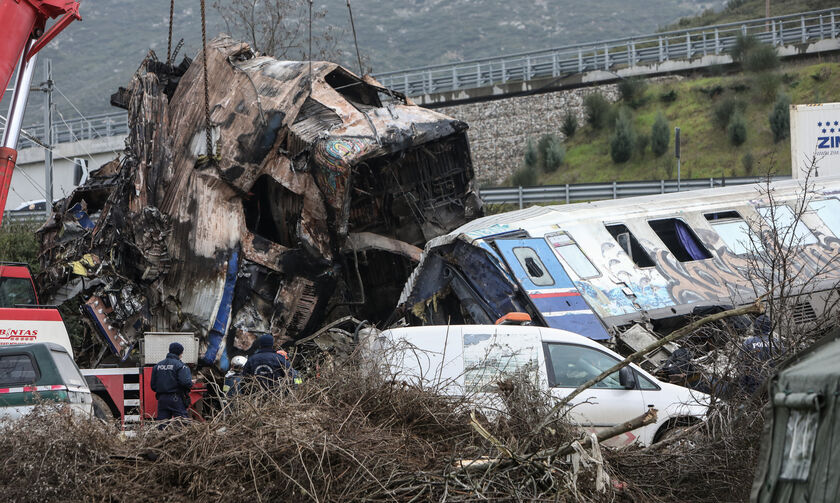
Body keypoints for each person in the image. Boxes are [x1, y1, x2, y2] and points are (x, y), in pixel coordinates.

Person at [150, 342, 193, 423]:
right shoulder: (181, 366)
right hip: (175, 398)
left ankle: (161, 435)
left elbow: (153, 386)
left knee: (162, 424)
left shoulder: (158, 366)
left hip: (161, 399)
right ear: (180, 353)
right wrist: (191, 383)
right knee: (182, 424)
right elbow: (185, 382)